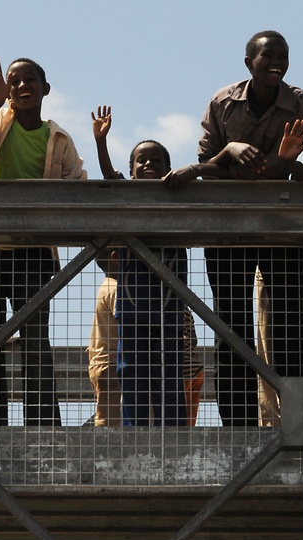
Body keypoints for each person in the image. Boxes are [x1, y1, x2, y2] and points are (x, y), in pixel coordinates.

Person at [0, 57, 87, 427]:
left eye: (29, 80)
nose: (20, 87)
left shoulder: (58, 138)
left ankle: (43, 425)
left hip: (34, 253)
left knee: (35, 341)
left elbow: (77, 186)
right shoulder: (1, 122)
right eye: (14, 82)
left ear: (45, 88)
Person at [197, 30, 303, 426]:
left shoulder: (295, 100)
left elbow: (285, 166)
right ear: (250, 62)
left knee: (289, 325)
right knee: (232, 329)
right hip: (228, 228)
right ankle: (239, 425)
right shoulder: (223, 102)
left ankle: (296, 417)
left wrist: (246, 168)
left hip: (280, 227)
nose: (278, 62)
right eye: (268, 55)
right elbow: (207, 168)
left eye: (284, 54)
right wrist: (231, 152)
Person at [92, 106, 194, 426]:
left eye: (157, 161)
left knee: (169, 381)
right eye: (142, 161)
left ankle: (174, 442)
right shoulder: (128, 195)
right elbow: (109, 176)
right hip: (132, 310)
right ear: (133, 172)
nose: (149, 164)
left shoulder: (179, 199)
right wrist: (100, 142)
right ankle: (132, 440)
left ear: (169, 169)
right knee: (131, 378)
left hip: (168, 310)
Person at [85, 250, 121, 426]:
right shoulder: (116, 289)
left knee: (109, 417)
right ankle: (104, 450)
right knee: (110, 422)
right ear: (116, 258)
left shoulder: (106, 286)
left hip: (102, 362)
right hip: (111, 365)